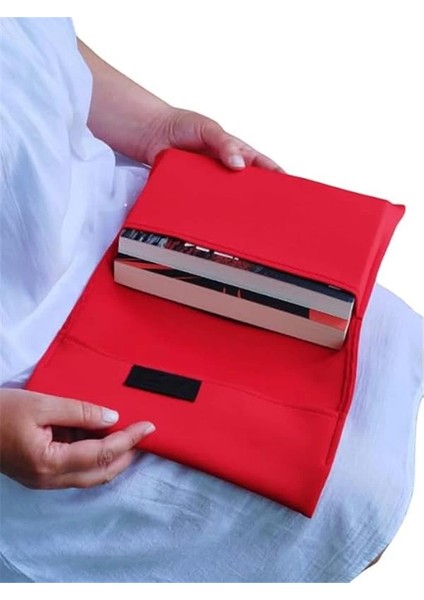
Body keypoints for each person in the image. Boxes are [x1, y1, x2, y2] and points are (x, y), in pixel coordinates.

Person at [0, 18, 422, 583]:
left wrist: (154, 124)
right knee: (352, 498)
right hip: (29, 377)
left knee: (389, 336)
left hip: (120, 227)